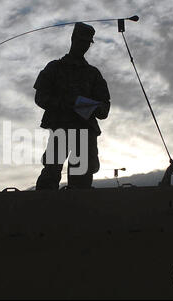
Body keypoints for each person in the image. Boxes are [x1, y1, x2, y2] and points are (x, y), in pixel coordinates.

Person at [34, 22, 111, 190]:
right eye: (81, 40)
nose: (83, 45)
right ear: (73, 39)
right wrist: (66, 104)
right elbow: (40, 97)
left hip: (84, 131)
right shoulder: (54, 68)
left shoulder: (93, 74)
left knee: (81, 181)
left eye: (87, 42)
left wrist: (90, 107)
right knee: (50, 174)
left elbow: (104, 108)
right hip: (60, 127)